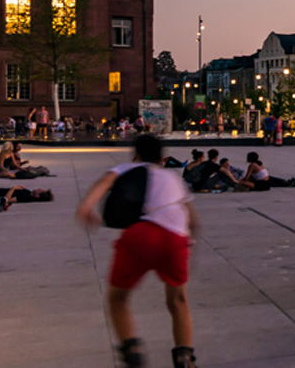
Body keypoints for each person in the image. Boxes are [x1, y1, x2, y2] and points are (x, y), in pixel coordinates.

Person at [74, 135, 200, 368]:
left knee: (118, 298)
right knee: (178, 300)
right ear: (162, 158)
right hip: (175, 239)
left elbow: (103, 184)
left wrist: (86, 207)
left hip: (140, 235)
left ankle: (132, 350)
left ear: (136, 155)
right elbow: (192, 219)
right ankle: (185, 358)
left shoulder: (128, 168)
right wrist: (190, 247)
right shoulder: (173, 178)